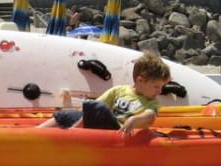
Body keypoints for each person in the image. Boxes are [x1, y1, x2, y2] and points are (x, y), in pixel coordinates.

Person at [38, 52, 170, 135]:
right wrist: (79, 114)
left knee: (99, 108)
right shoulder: (119, 91)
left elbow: (150, 116)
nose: (159, 91)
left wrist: (134, 119)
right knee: (68, 113)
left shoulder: (151, 102)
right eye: (156, 87)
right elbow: (94, 105)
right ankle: (35, 132)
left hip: (117, 130)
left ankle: (71, 134)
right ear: (140, 80)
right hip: (101, 126)